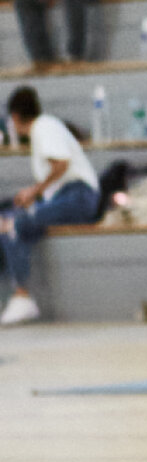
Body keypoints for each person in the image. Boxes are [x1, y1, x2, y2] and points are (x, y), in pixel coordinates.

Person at [1, 84, 102, 324]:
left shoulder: (43, 126)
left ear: (15, 117)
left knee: (13, 223)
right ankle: (18, 293)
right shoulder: (44, 129)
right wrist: (33, 195)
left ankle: (22, 296)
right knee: (9, 220)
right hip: (64, 197)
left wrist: (34, 191)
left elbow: (61, 165)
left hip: (78, 196)